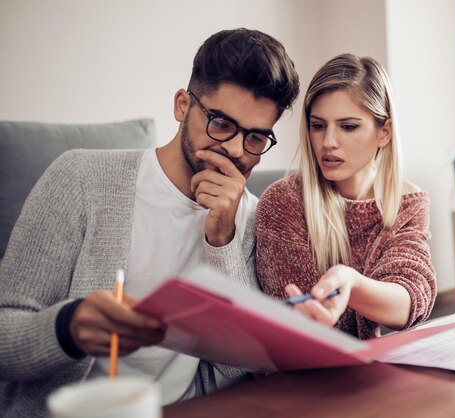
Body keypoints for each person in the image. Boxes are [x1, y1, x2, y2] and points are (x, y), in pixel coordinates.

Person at [0, 28, 299, 417]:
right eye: (221, 124)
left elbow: (242, 368)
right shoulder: (80, 179)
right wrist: (66, 328)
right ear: (181, 105)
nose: (236, 150)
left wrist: (223, 241)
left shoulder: (256, 217)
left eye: (256, 138)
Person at [256, 54, 436, 339]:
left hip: (370, 367)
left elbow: (411, 300)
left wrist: (350, 283)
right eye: (318, 126)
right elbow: (306, 329)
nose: (328, 142)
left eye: (348, 127)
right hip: (302, 375)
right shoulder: (283, 202)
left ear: (384, 132)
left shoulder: (405, 203)